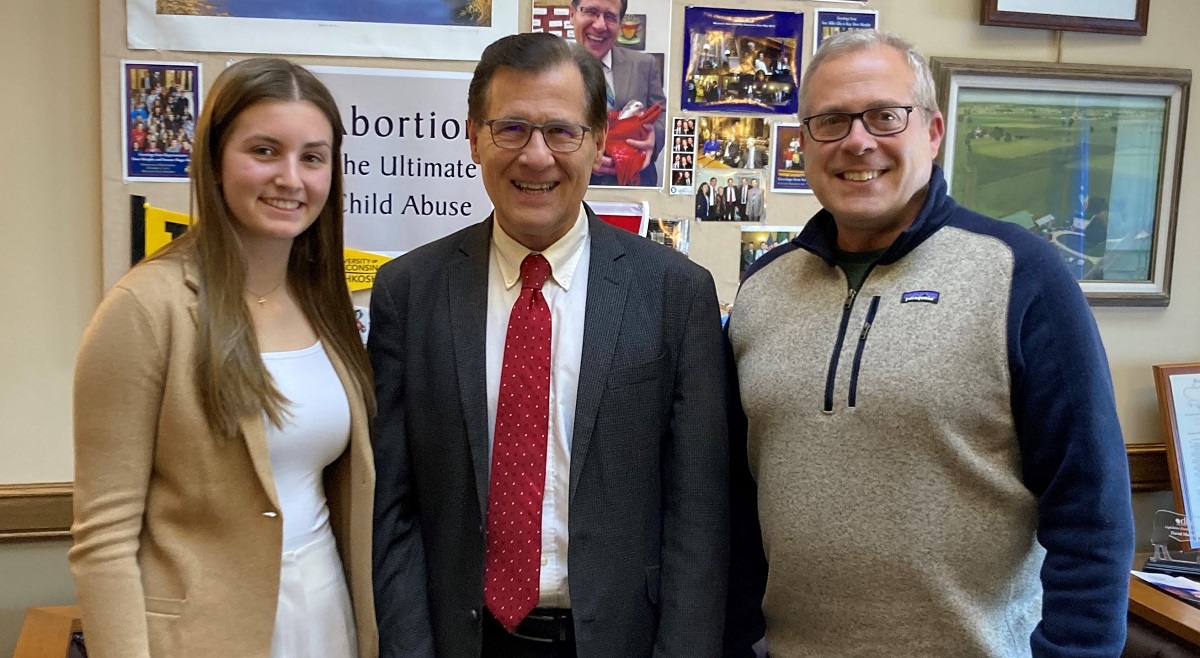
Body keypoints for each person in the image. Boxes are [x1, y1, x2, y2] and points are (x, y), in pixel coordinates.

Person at [724, 29, 1134, 657]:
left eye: (885, 116)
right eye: (830, 121)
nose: (857, 140)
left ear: (933, 132)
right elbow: (736, 505)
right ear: (802, 143)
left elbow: (1092, 515)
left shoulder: (1021, 275)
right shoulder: (760, 291)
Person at [370, 32, 729, 658]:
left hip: (619, 641)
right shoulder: (410, 291)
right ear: (474, 135)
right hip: (464, 639)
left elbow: (697, 517)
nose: (536, 157)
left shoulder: (675, 294)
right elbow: (393, 508)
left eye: (561, 131)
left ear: (598, 141)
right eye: (511, 128)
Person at [70, 58, 378, 657]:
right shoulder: (146, 308)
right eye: (265, 151)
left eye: (312, 157)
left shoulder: (323, 301)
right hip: (198, 637)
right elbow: (102, 540)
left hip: (324, 615)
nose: (291, 178)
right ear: (213, 160)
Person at [569, 0, 667, 187]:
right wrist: (580, 155)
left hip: (635, 185)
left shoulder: (644, 65)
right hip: (575, 185)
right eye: (591, 12)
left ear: (620, 24)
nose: (600, 25)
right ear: (572, 15)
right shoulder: (552, 70)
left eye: (610, 17)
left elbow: (663, 113)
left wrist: (654, 140)